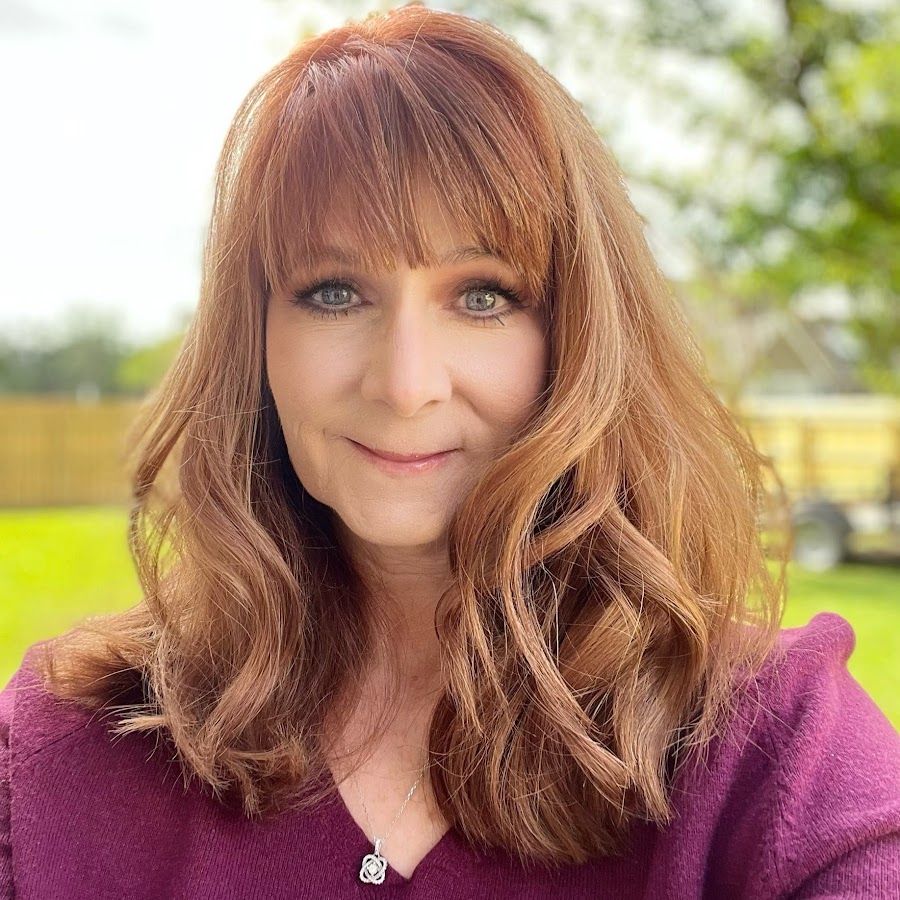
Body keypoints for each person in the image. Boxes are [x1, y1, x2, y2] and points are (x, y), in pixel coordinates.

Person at [2, 5, 899, 898]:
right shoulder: (59, 762)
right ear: (256, 337)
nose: (406, 385)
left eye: (481, 296)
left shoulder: (775, 757)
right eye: (334, 292)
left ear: (579, 335)